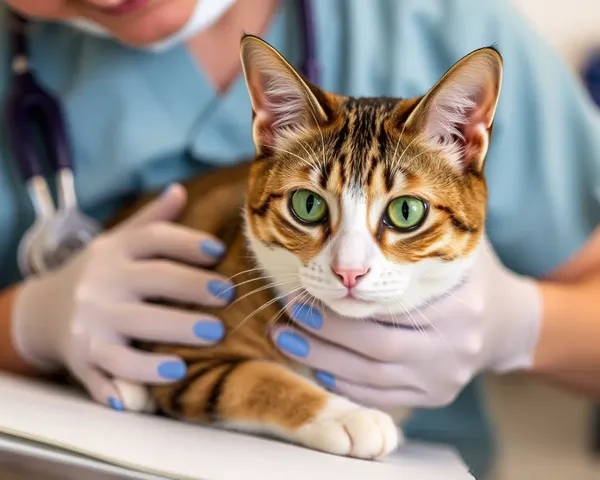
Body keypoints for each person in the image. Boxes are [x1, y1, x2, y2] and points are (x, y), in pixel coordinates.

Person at [0, 0, 599, 477]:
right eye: (311, 206)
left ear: (467, 143)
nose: (349, 267)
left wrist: (524, 328)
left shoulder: (437, 18)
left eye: (406, 213)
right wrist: (24, 326)